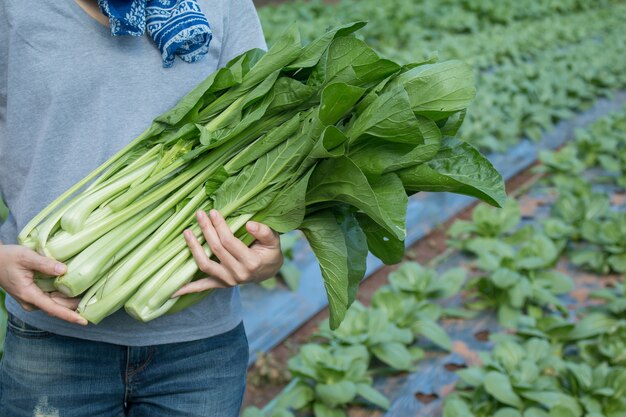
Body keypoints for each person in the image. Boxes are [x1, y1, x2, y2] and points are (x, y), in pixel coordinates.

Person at [0, 1, 283, 416]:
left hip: (198, 352)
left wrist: (266, 256)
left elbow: (264, 136)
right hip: (52, 344)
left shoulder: (223, 6)